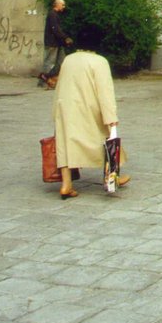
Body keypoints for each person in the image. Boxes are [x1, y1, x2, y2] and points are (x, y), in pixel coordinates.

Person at [53, 24, 130, 199]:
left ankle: (66, 185)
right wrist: (111, 117)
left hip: (66, 107)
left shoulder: (69, 59)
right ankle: (112, 177)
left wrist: (55, 112)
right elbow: (105, 92)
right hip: (89, 108)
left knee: (66, 145)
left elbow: (60, 86)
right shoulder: (99, 61)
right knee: (106, 140)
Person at [39, 0, 72, 88]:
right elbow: (55, 29)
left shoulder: (56, 15)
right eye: (63, 5)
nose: (64, 7)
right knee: (49, 62)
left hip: (58, 43)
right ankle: (43, 81)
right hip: (52, 43)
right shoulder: (52, 15)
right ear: (57, 4)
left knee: (62, 61)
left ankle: (57, 80)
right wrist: (65, 37)